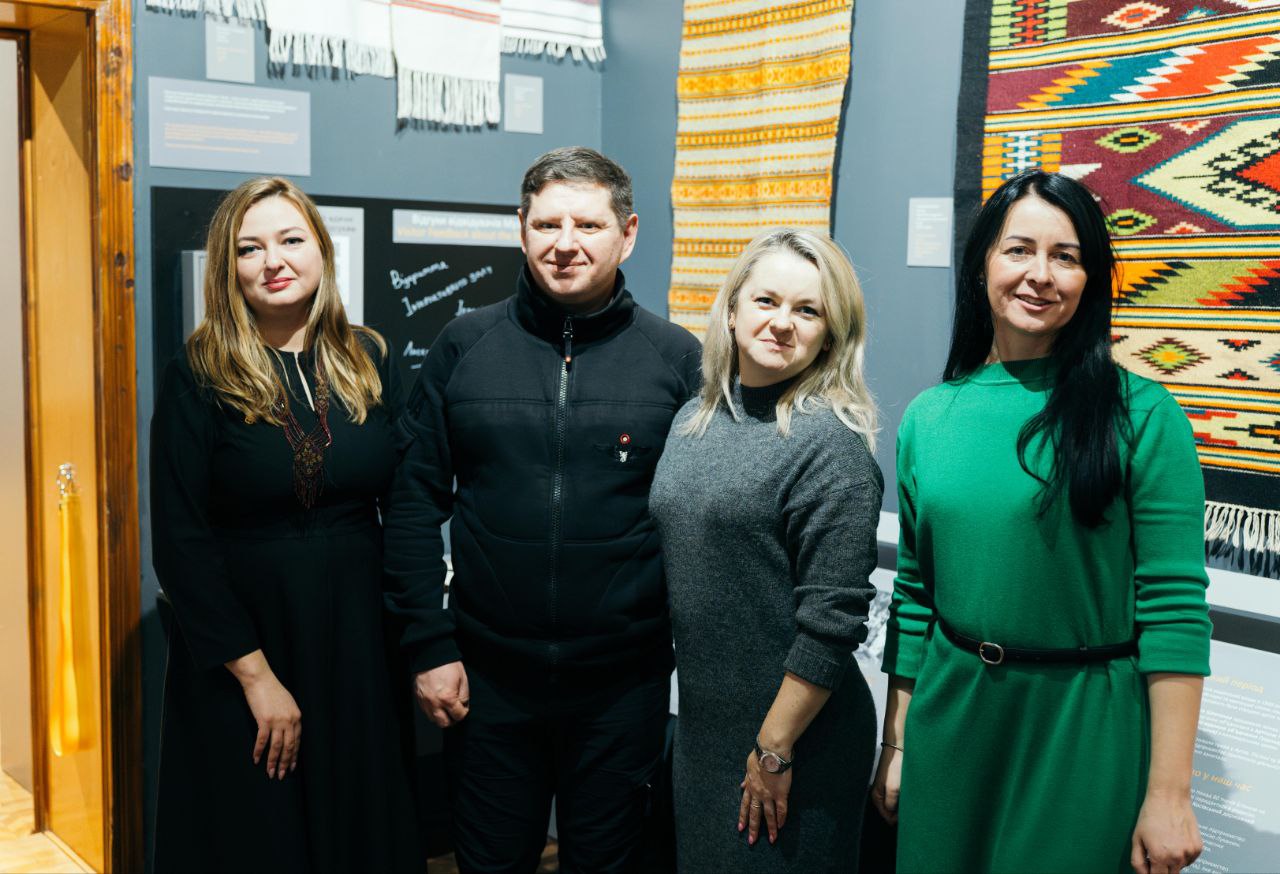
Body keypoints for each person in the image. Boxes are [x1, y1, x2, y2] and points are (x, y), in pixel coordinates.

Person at [871, 169, 1211, 873]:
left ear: (1090, 280)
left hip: (1083, 729)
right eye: (1019, 250)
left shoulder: (1143, 415)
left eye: (1066, 256)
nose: (1040, 275)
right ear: (982, 265)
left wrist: (1169, 793)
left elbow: (1174, 610)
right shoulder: (930, 417)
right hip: (952, 720)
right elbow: (915, 596)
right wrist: (895, 743)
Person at [382, 146, 702, 873]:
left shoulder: (676, 359)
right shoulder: (464, 347)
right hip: (488, 682)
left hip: (623, 686)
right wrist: (429, 647)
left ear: (628, 234)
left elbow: (701, 521)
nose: (565, 243)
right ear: (520, 229)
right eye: (547, 223)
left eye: (588, 224)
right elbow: (411, 504)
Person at [150, 177, 420, 872]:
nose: (273, 260)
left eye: (291, 240)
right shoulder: (199, 372)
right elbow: (180, 543)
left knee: (362, 830)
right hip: (248, 647)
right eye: (250, 248)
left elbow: (409, 505)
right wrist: (256, 678)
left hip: (361, 644)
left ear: (321, 251)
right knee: (262, 836)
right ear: (227, 267)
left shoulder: (370, 358)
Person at [650, 229, 882, 872]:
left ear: (830, 336)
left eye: (807, 310)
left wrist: (774, 750)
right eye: (766, 300)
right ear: (732, 310)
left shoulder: (829, 445)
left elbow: (831, 622)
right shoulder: (694, 419)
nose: (782, 323)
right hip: (706, 727)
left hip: (795, 740)